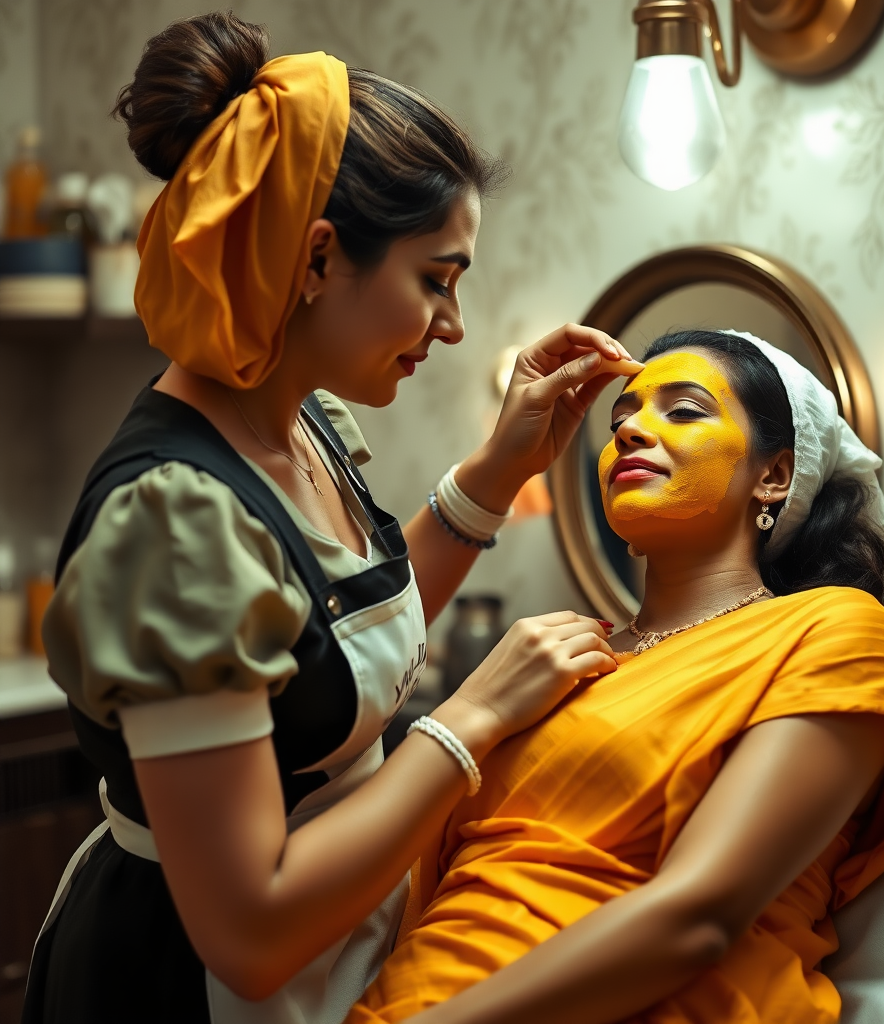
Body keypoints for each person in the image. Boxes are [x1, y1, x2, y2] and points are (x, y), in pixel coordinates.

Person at [20, 13, 643, 1024]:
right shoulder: (173, 523)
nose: (453, 324)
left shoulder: (301, 420)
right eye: (434, 279)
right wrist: (471, 718)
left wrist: (498, 469)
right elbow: (252, 932)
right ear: (316, 259)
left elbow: (330, 658)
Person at [347, 330, 884, 1024]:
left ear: (775, 475)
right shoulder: (554, 656)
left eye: (685, 410)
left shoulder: (834, 630)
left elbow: (695, 918)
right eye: (619, 420)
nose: (632, 429)